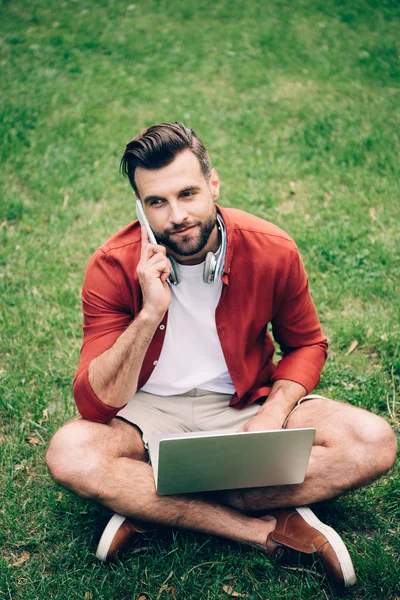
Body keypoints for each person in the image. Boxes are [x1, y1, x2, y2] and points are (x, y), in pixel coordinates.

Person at [46, 122, 397, 588]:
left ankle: (150, 505)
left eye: (188, 193)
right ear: (140, 205)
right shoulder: (112, 264)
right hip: (146, 412)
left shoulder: (272, 248)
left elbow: (307, 344)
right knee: (71, 453)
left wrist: (272, 414)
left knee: (373, 440)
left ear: (213, 184)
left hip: (244, 401)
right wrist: (150, 312)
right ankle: (267, 528)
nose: (176, 216)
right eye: (157, 202)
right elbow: (95, 403)